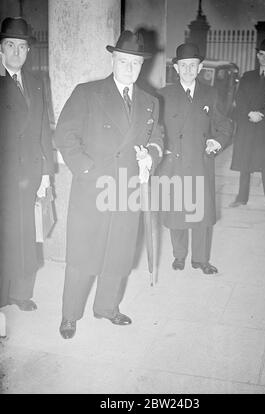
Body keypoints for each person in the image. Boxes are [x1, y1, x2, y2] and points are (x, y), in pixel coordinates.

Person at [55, 31, 164, 339]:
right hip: (93, 188)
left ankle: (106, 307)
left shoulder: (150, 102)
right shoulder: (88, 93)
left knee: (119, 252)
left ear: (141, 65)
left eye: (135, 63)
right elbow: (64, 136)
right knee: (82, 254)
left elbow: (157, 136)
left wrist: (151, 157)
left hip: (128, 191)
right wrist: (87, 170)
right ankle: (70, 315)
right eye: (123, 61)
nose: (129, 68)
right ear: (113, 60)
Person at [158, 43, 232, 274]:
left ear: (200, 68)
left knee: (201, 214)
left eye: (193, 65)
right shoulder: (163, 94)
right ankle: (179, 256)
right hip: (175, 164)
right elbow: (155, 128)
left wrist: (217, 142)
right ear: (176, 68)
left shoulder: (210, 93)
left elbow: (224, 125)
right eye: (183, 65)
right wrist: (161, 148)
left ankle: (200, 259)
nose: (188, 69)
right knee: (176, 213)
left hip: (200, 162)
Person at [0, 17, 54, 311]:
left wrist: (46, 172)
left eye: (22, 46)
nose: (17, 52)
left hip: (31, 171)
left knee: (26, 234)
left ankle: (21, 292)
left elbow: (44, 126)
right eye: (10, 45)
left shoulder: (36, 81)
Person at [229, 39, 265, 212]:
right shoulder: (248, 76)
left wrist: (261, 114)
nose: (264, 58)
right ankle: (241, 198)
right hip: (248, 124)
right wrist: (249, 113)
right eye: (261, 54)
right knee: (245, 161)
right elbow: (240, 98)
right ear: (257, 55)